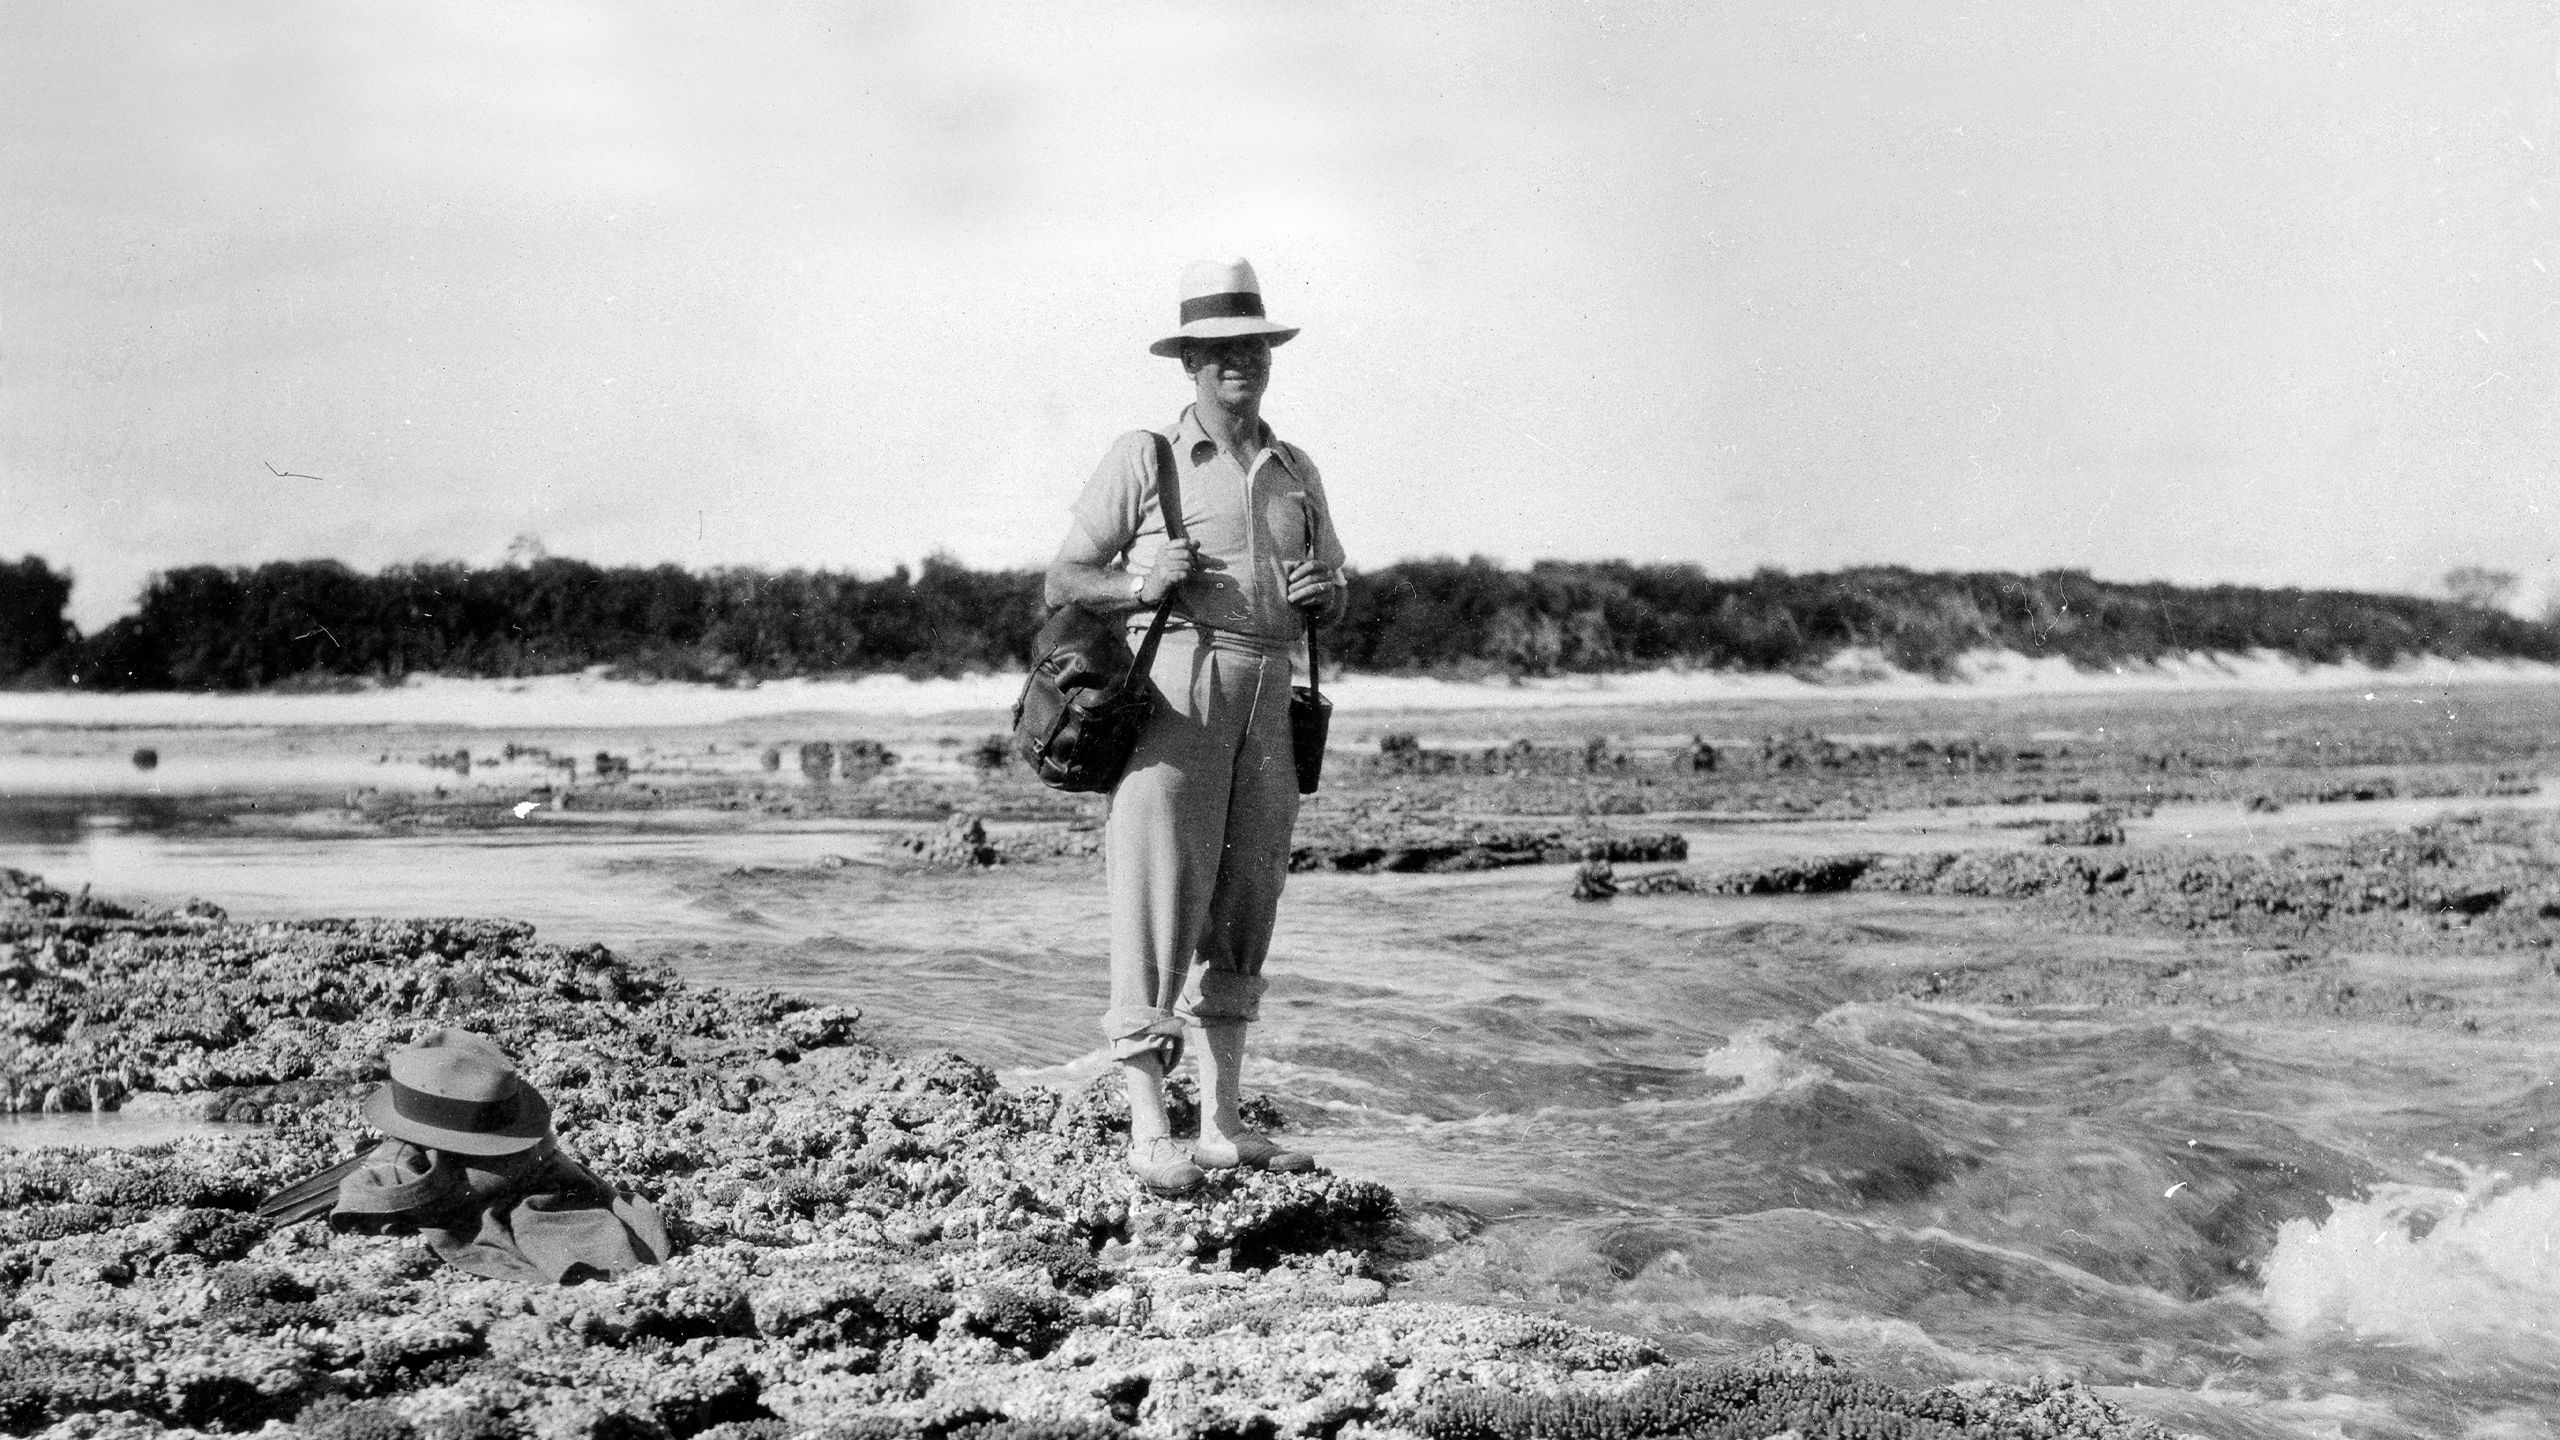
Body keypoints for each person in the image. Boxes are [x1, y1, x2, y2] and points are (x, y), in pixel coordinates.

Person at [1045, 258, 1348, 1194]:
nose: (1238, 362)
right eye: (1218, 351)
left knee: (1249, 902)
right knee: (1157, 897)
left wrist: (1326, 593)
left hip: (1271, 691)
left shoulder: (1296, 468)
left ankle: (1221, 1125)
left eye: (1252, 346)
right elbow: (1063, 579)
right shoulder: (1148, 456)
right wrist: (1143, 581)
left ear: (1270, 354)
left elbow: (1336, 589)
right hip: (1176, 686)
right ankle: (1148, 1130)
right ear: (1189, 363)